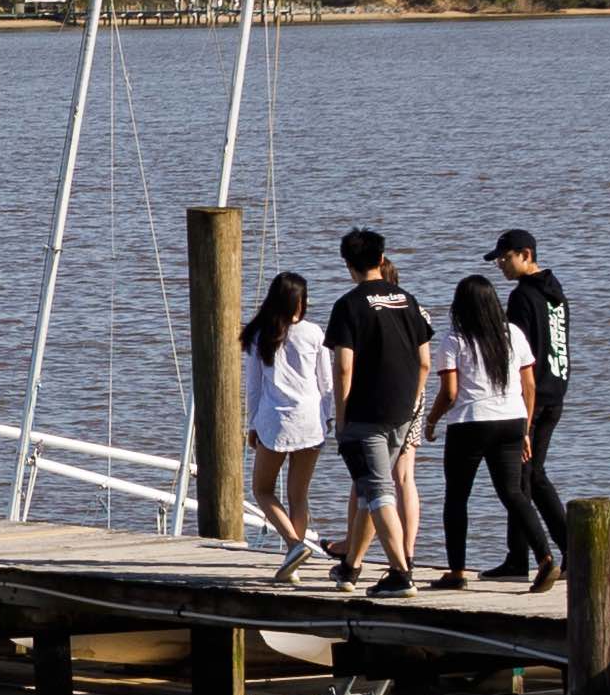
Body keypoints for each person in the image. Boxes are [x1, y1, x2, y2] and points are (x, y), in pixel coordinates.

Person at [319, 231, 436, 592]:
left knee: (379, 490)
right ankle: (351, 567)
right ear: (382, 257)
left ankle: (401, 573)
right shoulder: (406, 299)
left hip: (365, 414)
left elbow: (342, 368)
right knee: (371, 487)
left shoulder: (349, 305)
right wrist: (414, 402)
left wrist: (341, 415)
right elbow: (425, 362)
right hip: (403, 410)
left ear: (347, 264)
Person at [443, 272, 555, 586]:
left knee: (457, 497)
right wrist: (526, 430)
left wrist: (432, 419)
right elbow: (529, 386)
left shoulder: (455, 339)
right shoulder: (514, 334)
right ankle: (545, 557)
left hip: (469, 424)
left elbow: (450, 393)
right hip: (511, 421)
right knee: (513, 493)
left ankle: (456, 572)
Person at [237, 269, 333, 568]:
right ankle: (295, 559)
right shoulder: (315, 333)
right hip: (310, 421)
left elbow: (253, 388)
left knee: (262, 490)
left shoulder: (258, 334)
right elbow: (327, 384)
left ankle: (293, 545)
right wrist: (327, 419)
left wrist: (251, 424)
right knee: (298, 495)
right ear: (299, 302)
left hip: (274, 421)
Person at [492, 229, 574, 483]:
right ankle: (560, 525)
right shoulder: (555, 291)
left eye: (506, 258)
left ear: (526, 255)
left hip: (532, 397)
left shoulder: (522, 296)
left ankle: (524, 525)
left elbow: (516, 350)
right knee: (534, 474)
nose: (501, 265)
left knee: (520, 477)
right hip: (556, 392)